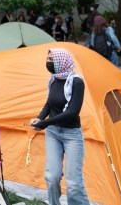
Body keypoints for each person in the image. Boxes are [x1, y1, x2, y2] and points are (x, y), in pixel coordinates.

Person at [30, 48, 88, 205]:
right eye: (47, 59)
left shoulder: (76, 82)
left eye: (51, 59)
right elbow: (49, 103)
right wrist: (39, 118)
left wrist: (45, 123)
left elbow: (72, 112)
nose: (48, 62)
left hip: (72, 135)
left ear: (61, 61)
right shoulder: (54, 79)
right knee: (52, 176)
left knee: (74, 183)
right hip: (53, 133)